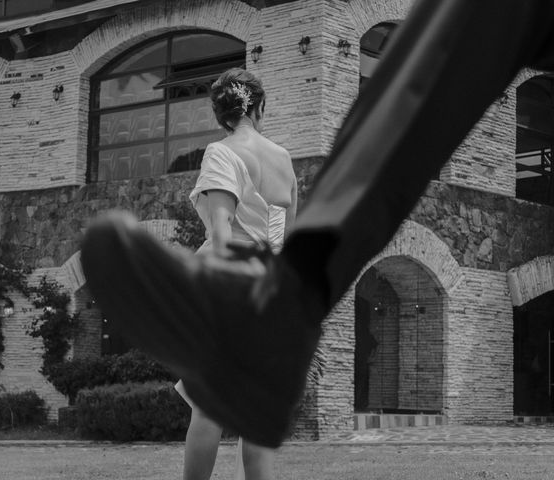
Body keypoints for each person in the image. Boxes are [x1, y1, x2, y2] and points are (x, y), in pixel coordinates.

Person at [81, 0, 554, 450]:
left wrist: (231, 248)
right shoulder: (274, 158)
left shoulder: (225, 154)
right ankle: (284, 306)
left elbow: (246, 217)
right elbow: (278, 218)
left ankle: (282, 306)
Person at [177, 68, 297, 480]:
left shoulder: (221, 153)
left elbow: (223, 233)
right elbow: (285, 240)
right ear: (259, 106)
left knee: (209, 408)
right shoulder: (283, 160)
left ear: (221, 113)